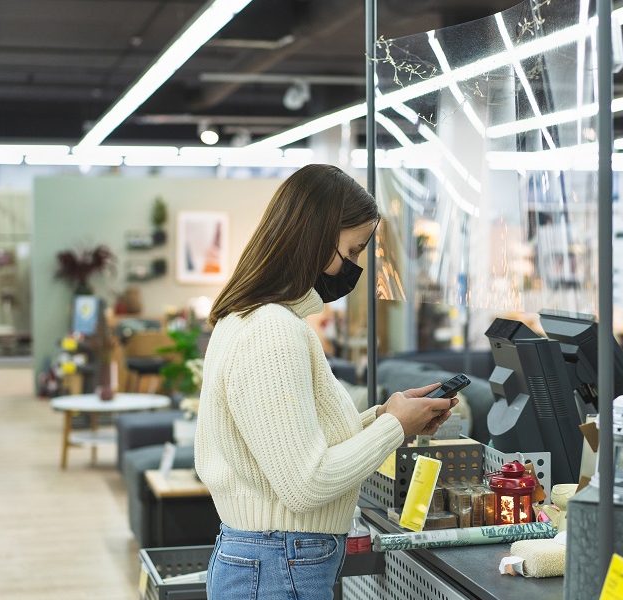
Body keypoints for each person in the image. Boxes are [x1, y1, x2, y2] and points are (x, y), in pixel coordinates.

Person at [195, 164, 457, 600]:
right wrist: (396, 428)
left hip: (274, 559)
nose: (353, 268)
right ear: (314, 236)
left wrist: (384, 417)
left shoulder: (258, 319)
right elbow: (306, 483)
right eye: (352, 251)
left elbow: (294, 446)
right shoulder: (273, 331)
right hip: (280, 562)